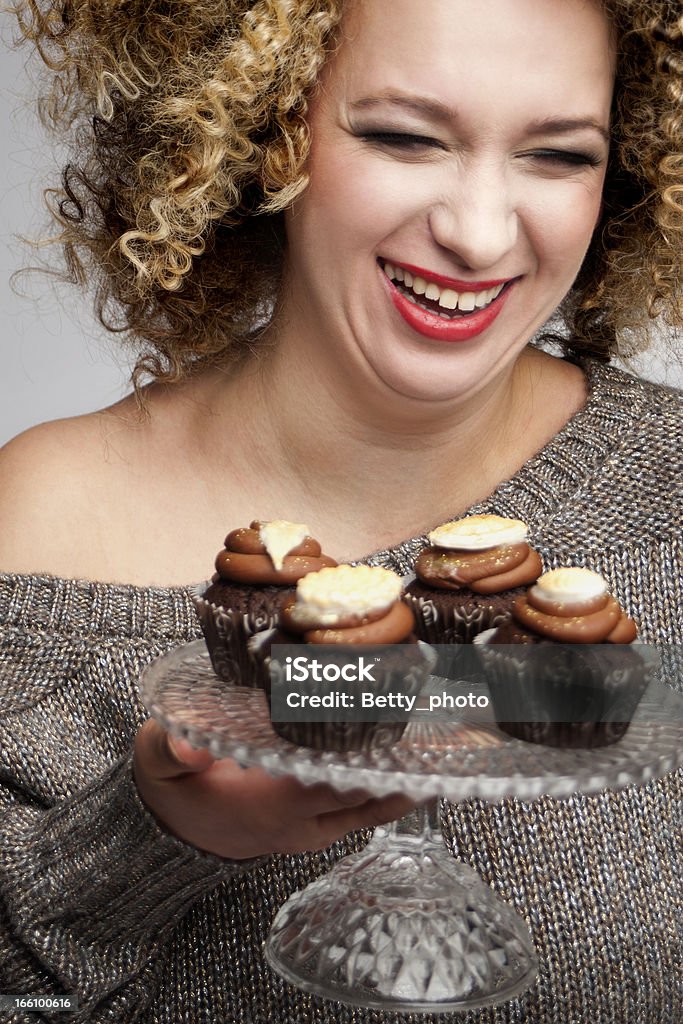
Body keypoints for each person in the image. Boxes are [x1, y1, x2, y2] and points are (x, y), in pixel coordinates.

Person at [1, 0, 681, 1021]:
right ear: (254, 131)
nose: (478, 230)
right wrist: (150, 834)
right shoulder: (37, 518)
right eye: (403, 137)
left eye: (555, 155)